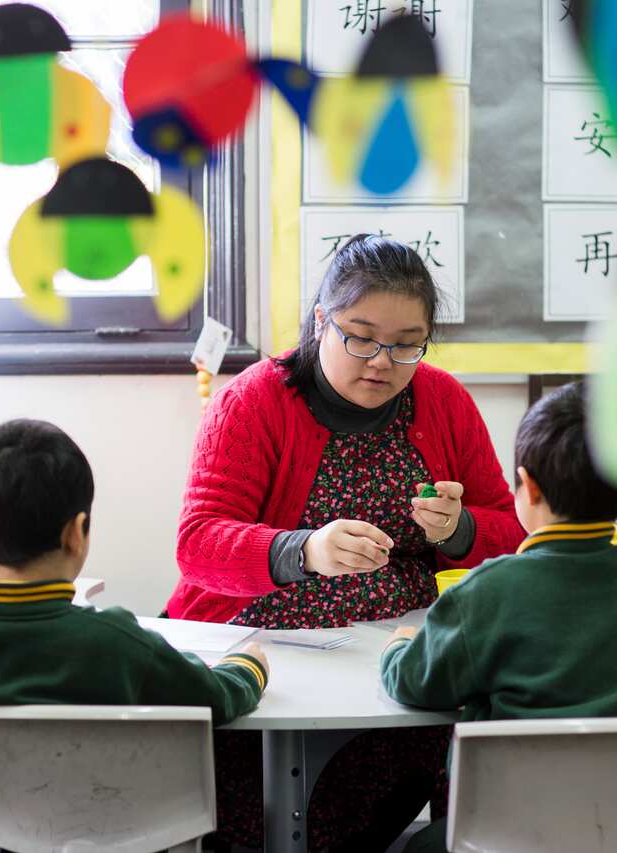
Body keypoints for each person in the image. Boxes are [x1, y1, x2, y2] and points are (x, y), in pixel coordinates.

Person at [168, 235, 525, 850]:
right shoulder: (254, 401)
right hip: (266, 660)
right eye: (360, 337)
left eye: (407, 344)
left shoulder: (442, 400)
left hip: (397, 659)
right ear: (320, 323)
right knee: (256, 818)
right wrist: (304, 551)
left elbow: (514, 534)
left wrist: (460, 529)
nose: (382, 361)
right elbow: (198, 544)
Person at [381, 381, 617, 853]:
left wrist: (398, 647)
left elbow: (415, 683)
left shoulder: (490, 588)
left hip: (511, 830)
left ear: (528, 487)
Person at [0, 419, 270, 790]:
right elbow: (215, 698)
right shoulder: (119, 645)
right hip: (109, 829)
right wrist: (247, 667)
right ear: (76, 533)